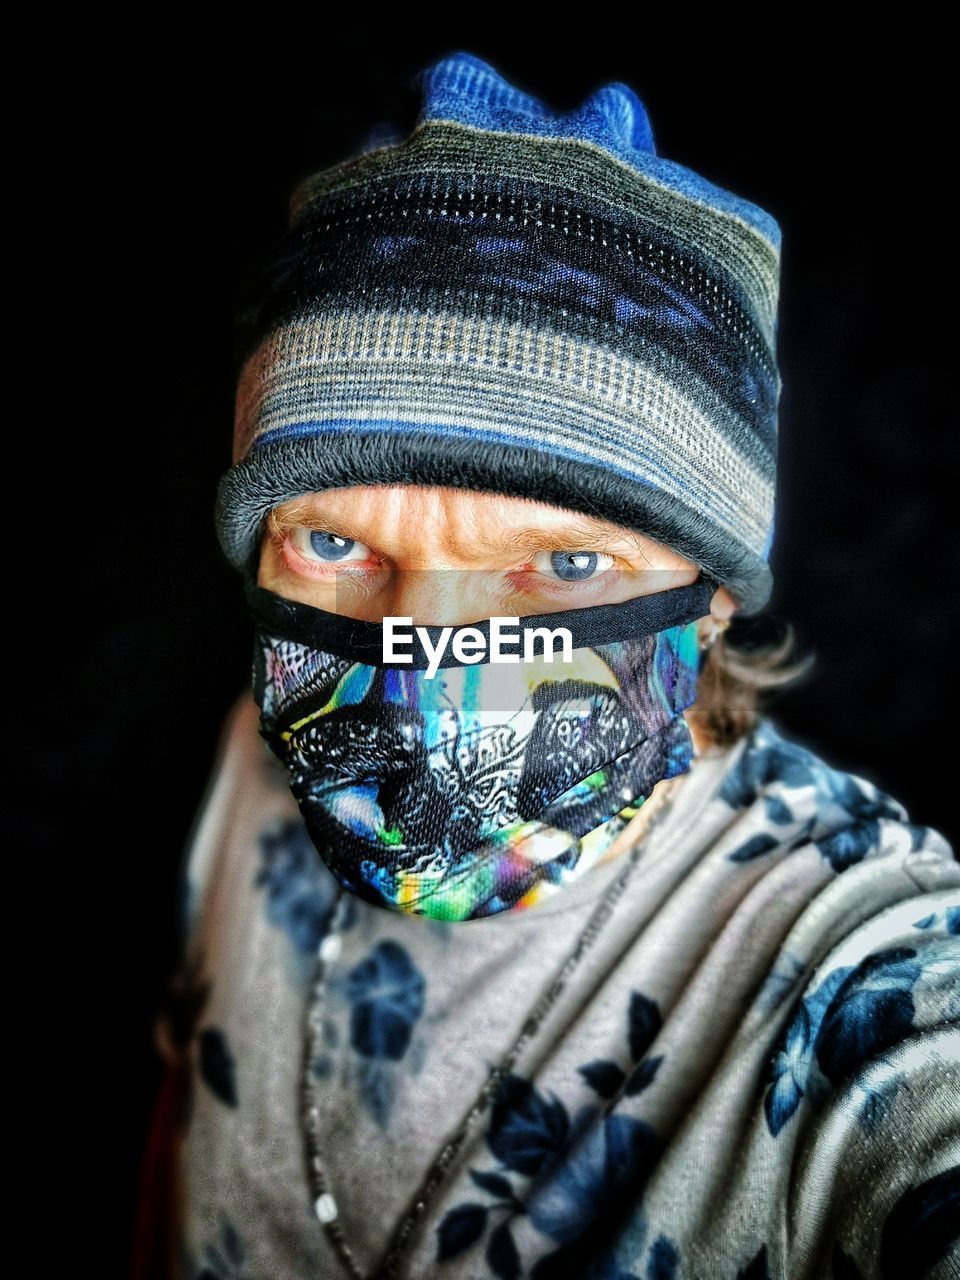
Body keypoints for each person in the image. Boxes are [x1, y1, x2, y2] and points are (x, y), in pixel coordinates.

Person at [130, 50, 960, 1280]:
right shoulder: (257, 761)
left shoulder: (864, 970)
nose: (423, 682)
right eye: (335, 540)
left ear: (714, 593)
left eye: (565, 566)